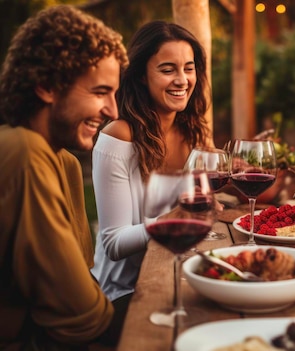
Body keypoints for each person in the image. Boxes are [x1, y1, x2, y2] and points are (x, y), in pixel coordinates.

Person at [0, 5, 128, 349]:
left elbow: (83, 284)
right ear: (47, 86)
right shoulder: (23, 151)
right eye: (100, 92)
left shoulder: (65, 162)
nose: (113, 111)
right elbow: (81, 316)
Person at [90, 21, 211, 309]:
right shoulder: (117, 136)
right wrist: (174, 221)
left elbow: (196, 200)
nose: (182, 80)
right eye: (168, 69)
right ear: (142, 75)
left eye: (189, 68)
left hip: (177, 273)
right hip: (124, 294)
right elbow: (114, 243)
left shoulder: (191, 131)